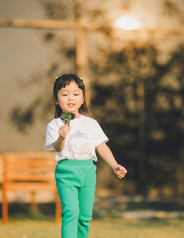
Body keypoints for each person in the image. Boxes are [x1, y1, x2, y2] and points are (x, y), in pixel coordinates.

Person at [45, 74, 127, 238]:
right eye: (65, 94)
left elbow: (102, 146)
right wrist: (62, 136)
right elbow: (57, 148)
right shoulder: (54, 125)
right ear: (56, 99)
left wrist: (114, 165)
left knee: (84, 217)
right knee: (71, 211)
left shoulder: (91, 124)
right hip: (66, 171)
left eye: (76, 94)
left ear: (82, 99)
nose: (71, 98)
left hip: (88, 172)